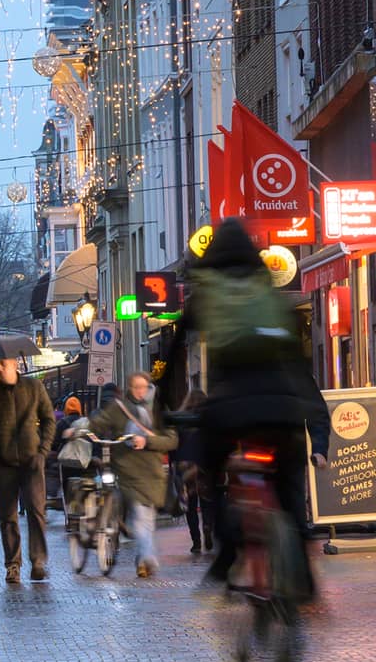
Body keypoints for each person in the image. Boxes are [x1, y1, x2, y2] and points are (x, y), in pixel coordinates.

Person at [159, 218, 331, 600]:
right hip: (283, 405)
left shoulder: (207, 292)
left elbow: (172, 355)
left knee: (211, 476)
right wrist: (302, 401)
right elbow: (298, 358)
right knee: (288, 482)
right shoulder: (269, 291)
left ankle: (226, 553)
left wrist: (162, 406)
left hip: (232, 406)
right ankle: (301, 563)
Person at [87, 370, 177, 578]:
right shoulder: (119, 408)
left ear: (149, 387)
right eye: (135, 387)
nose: (139, 391)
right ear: (129, 388)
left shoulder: (159, 410)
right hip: (127, 470)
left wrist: (148, 441)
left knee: (147, 519)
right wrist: (82, 429)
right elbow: (98, 423)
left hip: (152, 471)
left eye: (143, 387)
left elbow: (172, 440)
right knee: (140, 516)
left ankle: (144, 558)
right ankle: (147, 558)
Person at [0, 355, 56, 584]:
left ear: (14, 364)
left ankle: (38, 560)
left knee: (36, 511)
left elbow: (49, 419)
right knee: (8, 516)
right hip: (4, 463)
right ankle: (13, 564)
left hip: (31, 460)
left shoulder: (34, 387)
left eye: (3, 364)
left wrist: (42, 452)